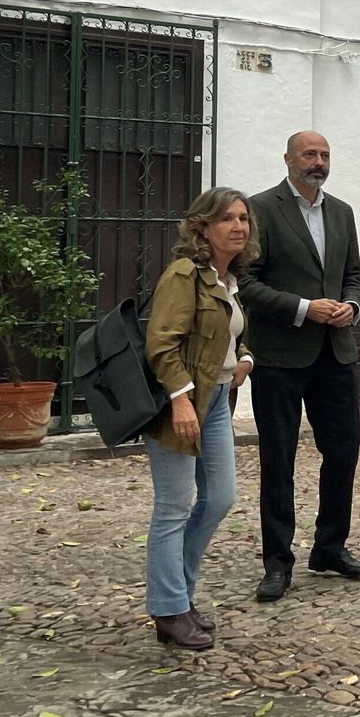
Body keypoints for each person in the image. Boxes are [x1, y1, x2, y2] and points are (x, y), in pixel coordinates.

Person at [237, 130, 360, 603]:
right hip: (279, 357)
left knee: (344, 451)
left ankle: (330, 548)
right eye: (310, 154)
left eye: (325, 155)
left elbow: (353, 276)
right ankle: (277, 562)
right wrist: (301, 307)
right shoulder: (261, 208)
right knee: (279, 460)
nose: (319, 162)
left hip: (335, 352)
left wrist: (350, 308)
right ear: (288, 158)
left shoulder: (342, 212)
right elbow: (245, 282)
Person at [144, 187, 256, 649]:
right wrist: (180, 399)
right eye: (226, 219)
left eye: (244, 219)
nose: (238, 227)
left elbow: (227, 336)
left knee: (219, 500)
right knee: (172, 508)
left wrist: (245, 358)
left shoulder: (226, 280)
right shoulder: (184, 275)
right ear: (202, 227)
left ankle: (182, 596)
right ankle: (169, 612)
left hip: (214, 403)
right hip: (182, 405)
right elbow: (162, 342)